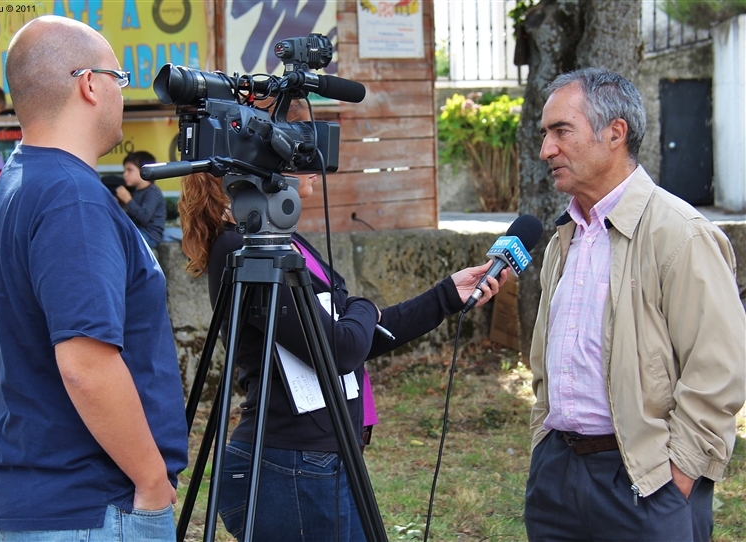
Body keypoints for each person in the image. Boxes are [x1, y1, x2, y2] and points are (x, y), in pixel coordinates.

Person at [178, 97, 508, 541]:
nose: (312, 157)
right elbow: (339, 348)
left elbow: (357, 338)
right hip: (289, 464)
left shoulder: (284, 244)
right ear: (259, 158)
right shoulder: (242, 249)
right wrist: (363, 308)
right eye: (295, 144)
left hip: (317, 458)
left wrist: (446, 295)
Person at [0, 15, 187, 539]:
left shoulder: (20, 182)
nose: (121, 91)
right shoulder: (71, 196)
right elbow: (85, 364)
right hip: (90, 506)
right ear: (90, 84)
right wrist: (152, 481)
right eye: (120, 78)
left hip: (45, 500)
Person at [525, 67, 746, 542]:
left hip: (647, 482)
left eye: (561, 131)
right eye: (546, 134)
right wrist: (543, 448)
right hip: (556, 476)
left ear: (615, 133)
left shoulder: (680, 234)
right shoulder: (563, 239)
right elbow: (547, 360)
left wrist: (678, 476)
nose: (546, 149)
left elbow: (720, 369)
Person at [115, 150, 166, 248]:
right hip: (139, 232)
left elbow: (144, 216)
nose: (125, 174)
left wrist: (128, 200)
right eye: (124, 170)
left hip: (150, 236)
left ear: (144, 171)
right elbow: (133, 215)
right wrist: (120, 205)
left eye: (129, 170)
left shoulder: (152, 191)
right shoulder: (137, 191)